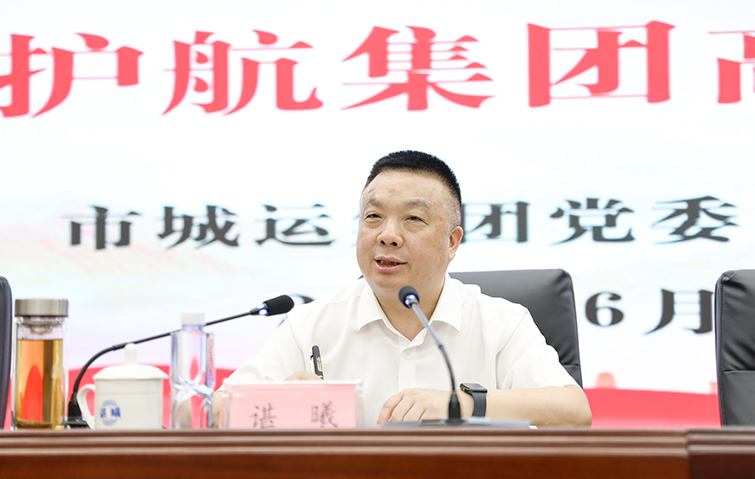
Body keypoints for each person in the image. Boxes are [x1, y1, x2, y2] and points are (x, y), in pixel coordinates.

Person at [224, 150, 592, 427]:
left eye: (413, 218)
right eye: (373, 217)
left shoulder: (501, 323)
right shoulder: (310, 325)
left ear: (452, 242)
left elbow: (574, 412)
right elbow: (219, 410)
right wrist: (281, 403)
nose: (387, 235)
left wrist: (460, 404)